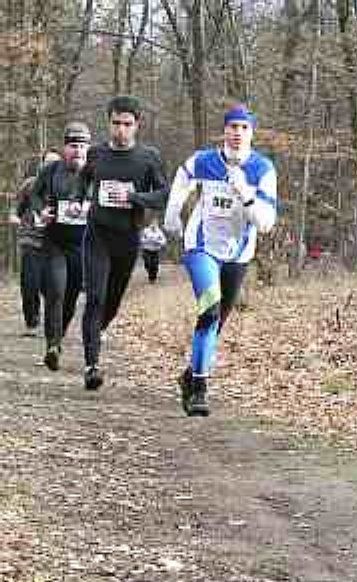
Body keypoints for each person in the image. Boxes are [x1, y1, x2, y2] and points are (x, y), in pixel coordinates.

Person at [164, 104, 277, 417]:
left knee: (216, 322)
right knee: (210, 308)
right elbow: (183, 174)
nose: (237, 134)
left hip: (238, 255)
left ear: (252, 133)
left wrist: (246, 194)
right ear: (224, 131)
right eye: (232, 127)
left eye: (244, 128)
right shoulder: (205, 161)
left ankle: (189, 376)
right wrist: (174, 210)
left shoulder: (262, 169)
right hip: (201, 247)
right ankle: (200, 390)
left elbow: (266, 223)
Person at [78, 95, 169, 390]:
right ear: (109, 122)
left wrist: (133, 198)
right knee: (95, 297)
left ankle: (97, 330)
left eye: (127, 124)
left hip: (128, 237)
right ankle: (92, 365)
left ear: (137, 125)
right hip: (98, 234)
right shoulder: (96, 154)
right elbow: (83, 181)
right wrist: (81, 199)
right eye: (116, 123)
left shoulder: (148, 158)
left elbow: (163, 194)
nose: (120, 130)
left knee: (112, 302)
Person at [30, 123, 91, 371]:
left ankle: (59, 335)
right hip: (54, 241)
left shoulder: (96, 171)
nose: (77, 151)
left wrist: (89, 207)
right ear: (65, 148)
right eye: (72, 146)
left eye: (81, 146)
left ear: (88, 148)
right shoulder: (51, 170)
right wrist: (40, 211)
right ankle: (52, 346)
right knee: (55, 291)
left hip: (83, 245)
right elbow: (34, 195)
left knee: (71, 296)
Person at [10, 150, 61, 336]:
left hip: (55, 243)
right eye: (48, 163)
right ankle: (32, 322)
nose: (50, 167)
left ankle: (54, 322)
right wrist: (15, 217)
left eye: (55, 163)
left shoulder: (66, 185)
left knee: (53, 286)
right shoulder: (30, 185)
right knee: (29, 283)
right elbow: (17, 209)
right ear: (42, 164)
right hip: (31, 239)